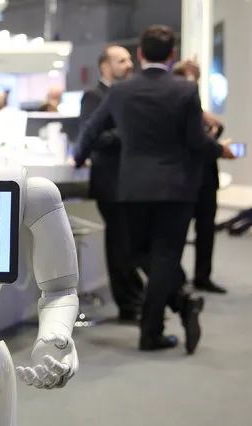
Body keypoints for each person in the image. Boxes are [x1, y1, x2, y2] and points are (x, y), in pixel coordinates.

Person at [74, 25, 234, 355]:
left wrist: (79, 156)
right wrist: (222, 150)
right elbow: (195, 140)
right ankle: (167, 315)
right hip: (177, 186)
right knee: (163, 255)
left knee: (138, 252)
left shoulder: (121, 91)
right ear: (172, 54)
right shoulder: (184, 91)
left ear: (141, 54)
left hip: (132, 185)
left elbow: (91, 128)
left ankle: (162, 321)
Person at [78, 44, 144, 324]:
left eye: (130, 59)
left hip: (132, 181)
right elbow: (94, 137)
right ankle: (129, 305)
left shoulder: (128, 94)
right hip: (110, 181)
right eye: (122, 60)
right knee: (120, 244)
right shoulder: (94, 96)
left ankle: (136, 297)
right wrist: (130, 130)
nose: (129, 64)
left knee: (132, 242)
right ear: (105, 66)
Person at [172, 60, 228, 294]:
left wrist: (212, 130)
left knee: (206, 231)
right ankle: (176, 277)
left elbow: (211, 132)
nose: (194, 81)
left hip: (207, 177)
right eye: (191, 76)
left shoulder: (198, 108)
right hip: (183, 178)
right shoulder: (174, 105)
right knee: (177, 232)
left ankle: (202, 277)